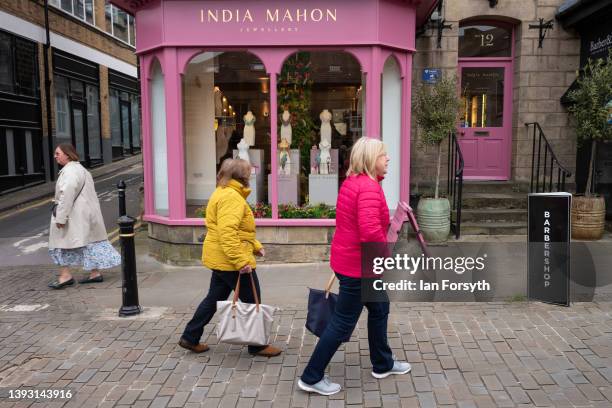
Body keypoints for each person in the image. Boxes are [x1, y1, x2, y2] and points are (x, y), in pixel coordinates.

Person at [298, 137, 411, 396]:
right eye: (383, 155)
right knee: (342, 322)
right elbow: (370, 232)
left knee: (380, 307)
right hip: (359, 268)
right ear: (371, 159)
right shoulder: (369, 188)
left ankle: (382, 364)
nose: (388, 159)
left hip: (352, 262)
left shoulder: (354, 183)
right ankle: (311, 376)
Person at [179, 158, 282, 357]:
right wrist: (241, 261)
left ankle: (190, 337)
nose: (251, 175)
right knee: (253, 301)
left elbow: (237, 232)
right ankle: (257, 345)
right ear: (242, 177)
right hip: (231, 261)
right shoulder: (232, 198)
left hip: (221, 258)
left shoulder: (223, 192)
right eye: (248, 172)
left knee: (214, 297)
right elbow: (228, 233)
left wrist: (255, 246)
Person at [48, 144, 121, 289]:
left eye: (58, 153)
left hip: (74, 216)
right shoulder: (82, 170)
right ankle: (95, 273)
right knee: (90, 243)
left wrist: (60, 218)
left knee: (59, 244)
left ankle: (65, 276)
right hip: (87, 214)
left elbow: (66, 195)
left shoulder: (69, 172)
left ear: (67, 155)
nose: (55, 156)